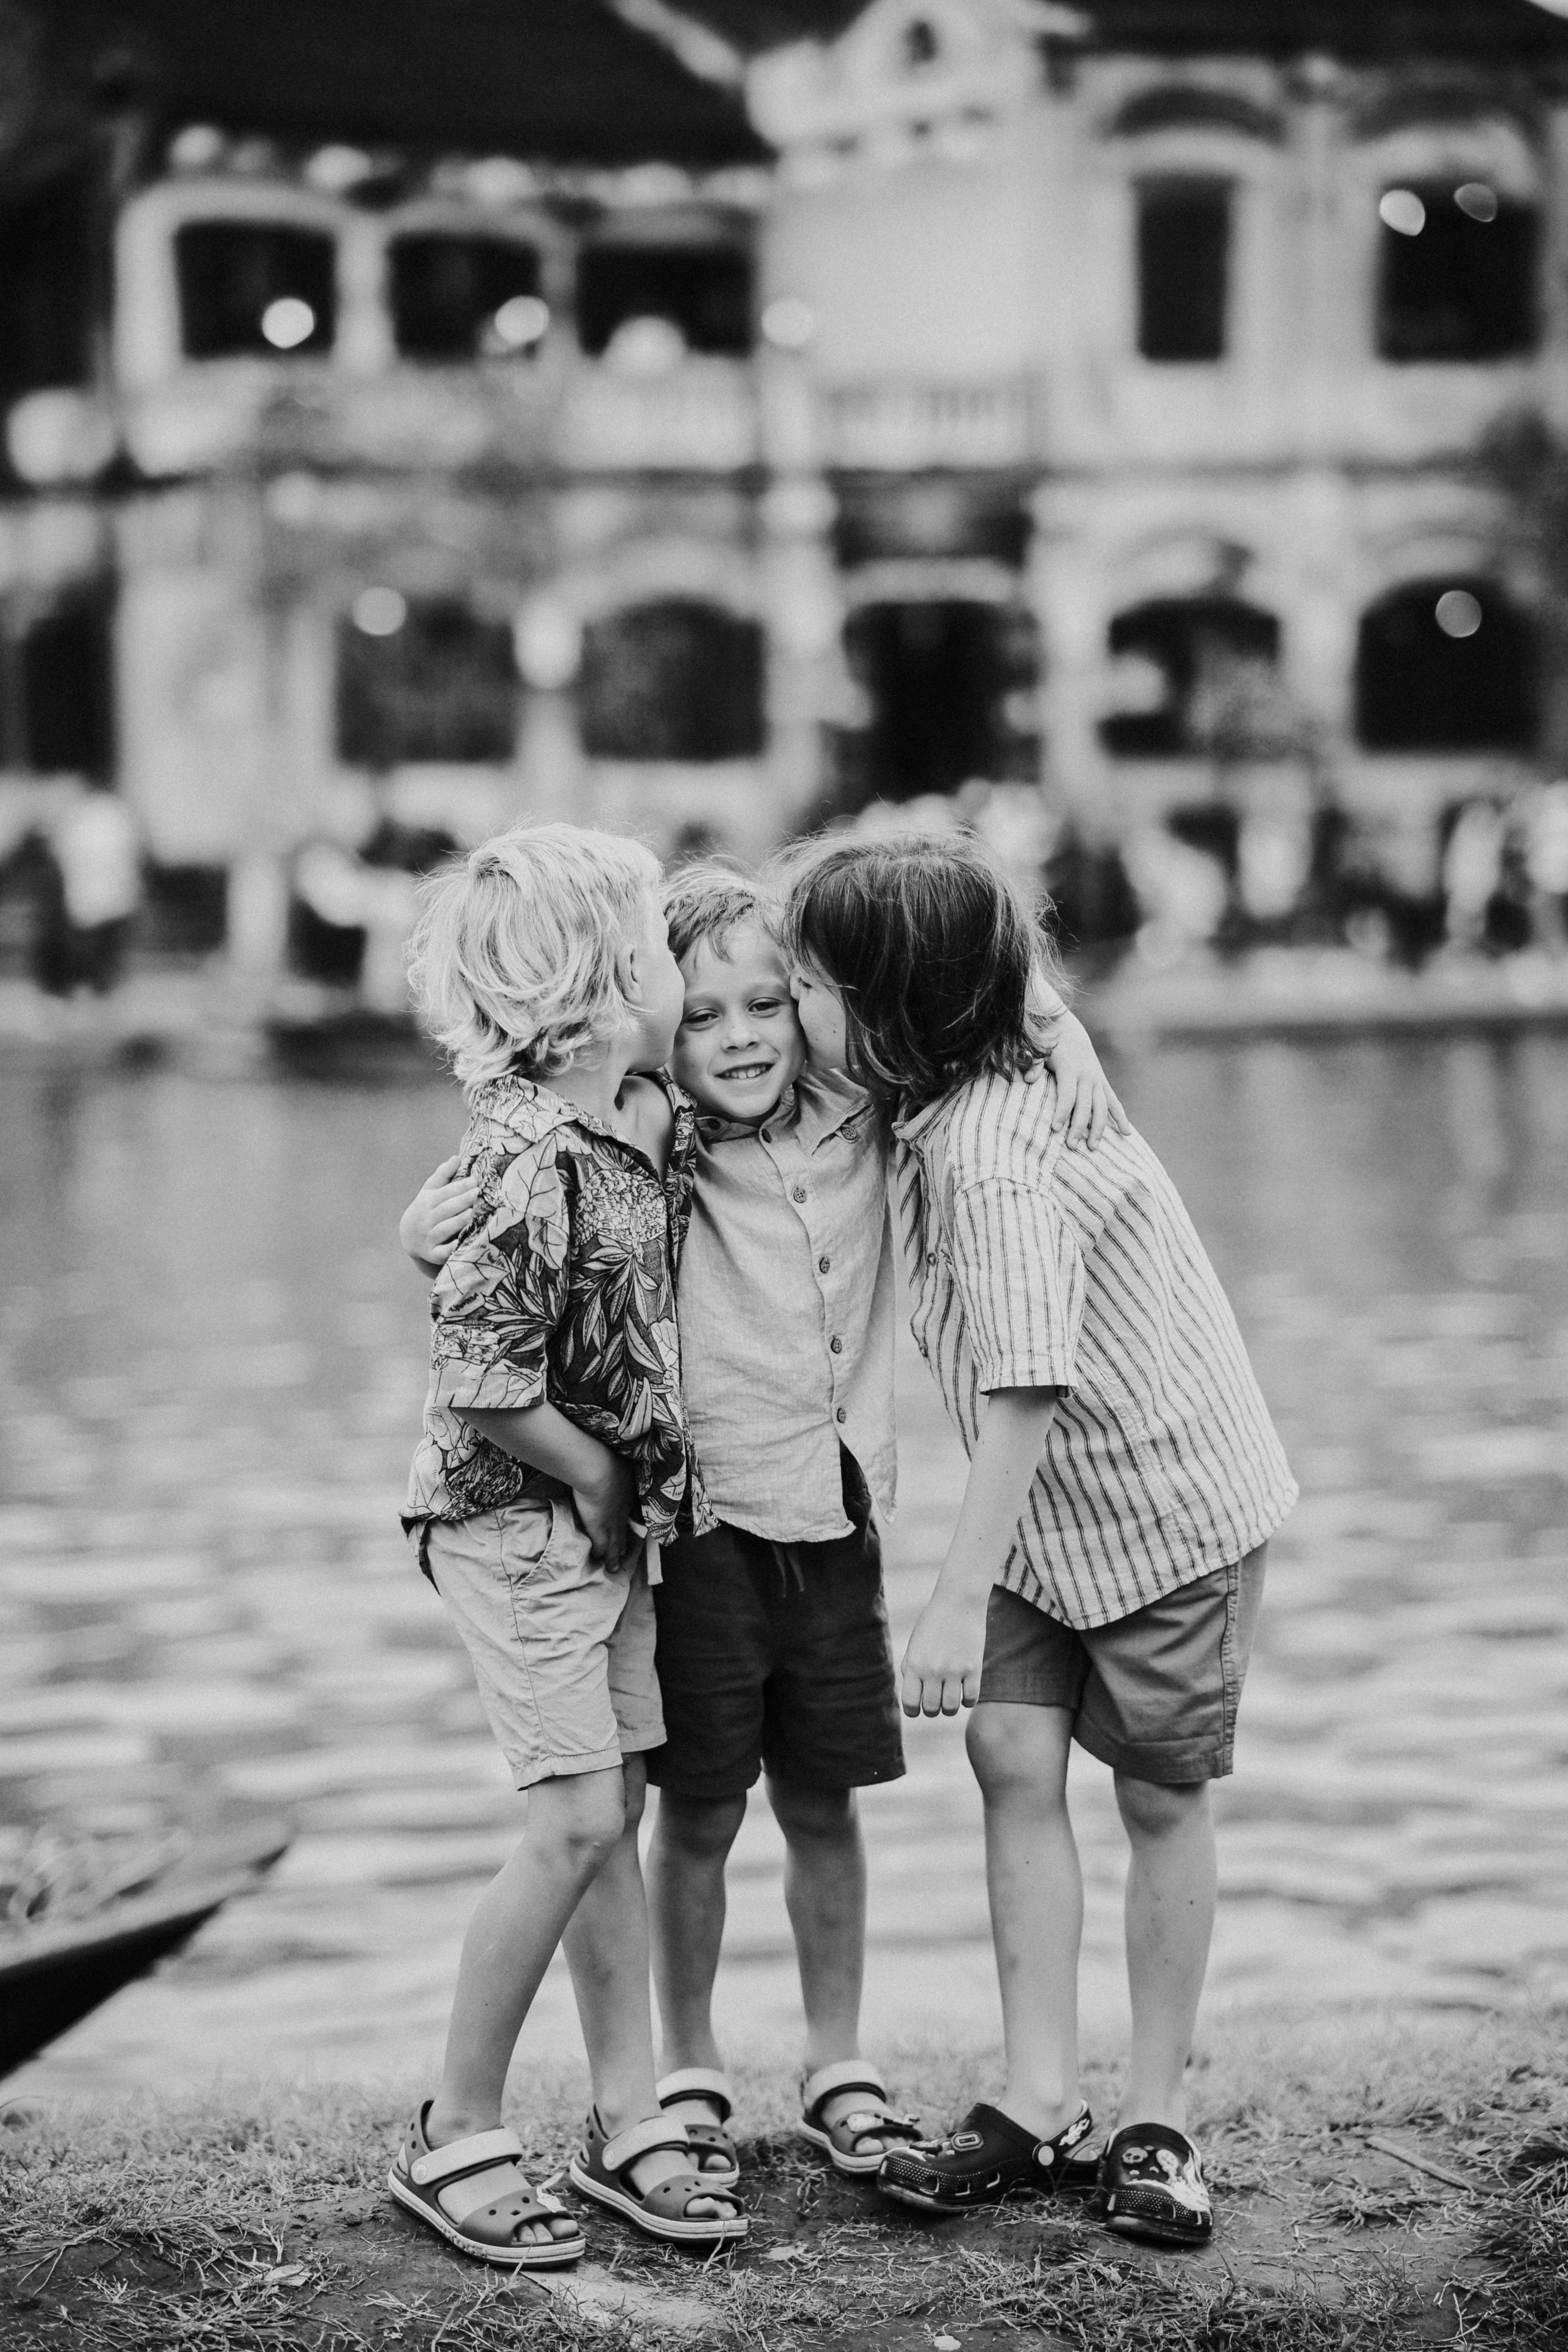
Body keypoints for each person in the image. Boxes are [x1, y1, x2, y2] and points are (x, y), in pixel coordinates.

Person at [402, 853, 1123, 2194]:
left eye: (768, 1004)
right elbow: (514, 1172)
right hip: (699, 1528)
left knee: (827, 1804)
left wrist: (1059, 1026)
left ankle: (837, 2060)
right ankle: (687, 2062)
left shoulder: (864, 1101)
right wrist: (418, 1227)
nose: (739, 1037)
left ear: (809, 1005)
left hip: (837, 1519)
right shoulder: (651, 1122)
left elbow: (950, 977)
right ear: (655, 1021)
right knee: (695, 1812)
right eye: (703, 1013)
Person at [782, 833, 1297, 2250]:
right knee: (1010, 1754)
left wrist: (953, 1601)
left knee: (1159, 1795)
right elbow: (1009, 980)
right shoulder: (956, 1068)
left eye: (810, 986)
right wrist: (1054, 1013)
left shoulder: (990, 1158)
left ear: (891, 1009)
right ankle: (1036, 2100)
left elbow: (1026, 1382)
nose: (793, 1007)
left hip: (1162, 1504)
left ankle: (1158, 2121)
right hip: (1047, 1519)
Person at [391, 822, 745, 2267]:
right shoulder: (538, 1156)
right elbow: (482, 1376)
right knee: (576, 1822)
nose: (680, 971)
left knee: (620, 1806)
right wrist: (599, 1469)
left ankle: (626, 2112)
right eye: (659, 945)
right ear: (603, 986)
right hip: (518, 1520)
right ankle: (455, 2130)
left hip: (598, 1528)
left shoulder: (623, 1120)